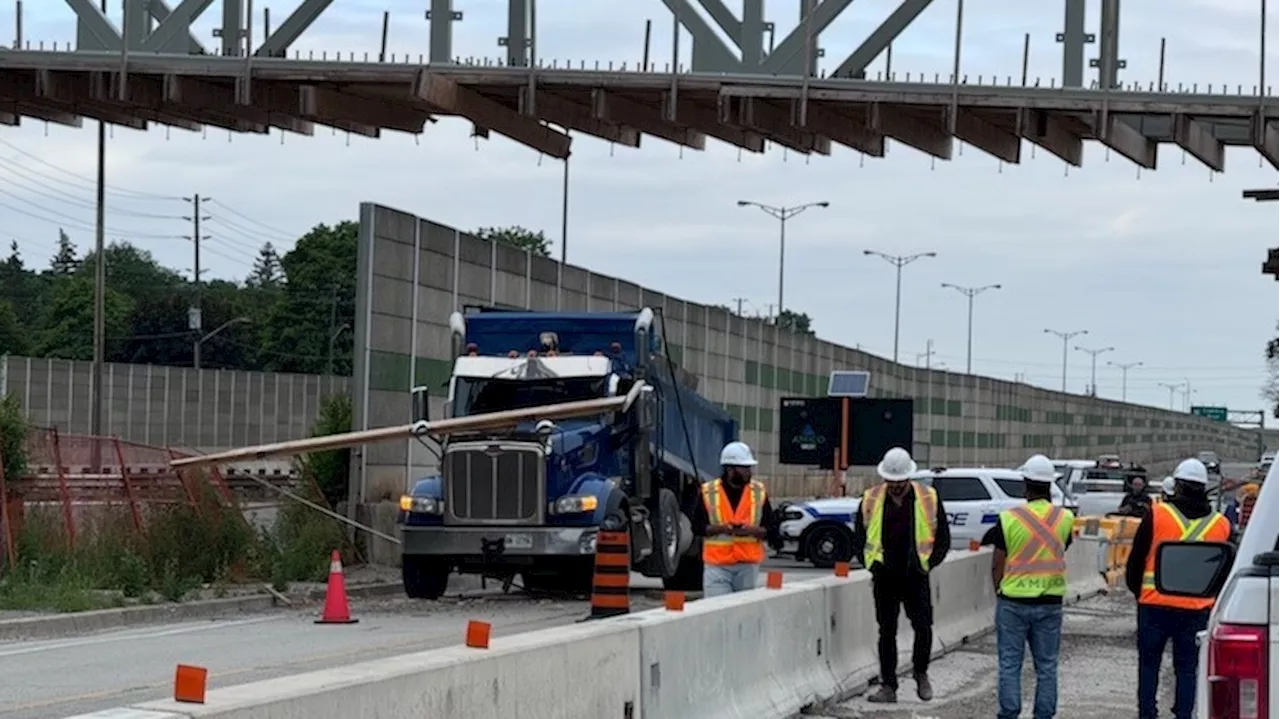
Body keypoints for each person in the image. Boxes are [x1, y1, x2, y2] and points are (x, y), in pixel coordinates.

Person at [1126, 458, 1231, 719]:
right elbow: (1226, 572)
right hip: (1196, 610)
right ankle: (1184, 714)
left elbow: (1135, 561)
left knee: (1149, 664)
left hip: (1154, 606)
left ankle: (1147, 713)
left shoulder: (1157, 514)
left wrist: (1140, 594)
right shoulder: (1221, 525)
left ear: (1178, 486)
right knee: (1187, 668)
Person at [851, 447, 951, 704]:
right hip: (885, 576)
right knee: (886, 631)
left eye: (900, 482)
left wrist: (927, 564)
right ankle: (889, 685)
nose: (895, 487)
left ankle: (920, 672)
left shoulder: (928, 497)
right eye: (891, 482)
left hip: (915, 575)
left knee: (923, 627)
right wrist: (871, 565)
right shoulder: (871, 499)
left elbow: (942, 539)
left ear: (909, 478)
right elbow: (859, 538)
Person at [981, 454, 1075, 719]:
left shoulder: (1009, 518)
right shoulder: (1065, 518)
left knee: (1010, 664)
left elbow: (997, 563)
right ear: (1050, 485)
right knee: (1047, 666)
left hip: (1013, 601)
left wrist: (1000, 591)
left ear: (1026, 485)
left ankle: (1009, 714)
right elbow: (1061, 548)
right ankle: (1043, 715)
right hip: (1050, 602)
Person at [692, 441, 779, 597]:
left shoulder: (758, 491)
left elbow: (772, 528)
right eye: (744, 468)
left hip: (747, 565)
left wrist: (753, 531)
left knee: (743, 614)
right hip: (717, 565)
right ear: (730, 469)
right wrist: (721, 529)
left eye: (749, 468)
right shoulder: (709, 492)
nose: (749, 472)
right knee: (716, 609)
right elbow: (697, 527)